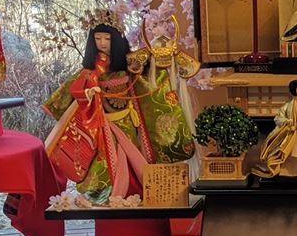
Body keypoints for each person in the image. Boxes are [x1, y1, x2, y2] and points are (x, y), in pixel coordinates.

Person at [43, 13, 195, 202]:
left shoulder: (128, 64)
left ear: (116, 40)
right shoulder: (92, 69)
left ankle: (136, 192)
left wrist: (159, 65)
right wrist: (89, 92)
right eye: (98, 39)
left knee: (133, 155)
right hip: (105, 122)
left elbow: (145, 79)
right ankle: (110, 194)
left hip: (128, 120)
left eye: (107, 39)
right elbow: (76, 87)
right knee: (111, 159)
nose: (102, 43)